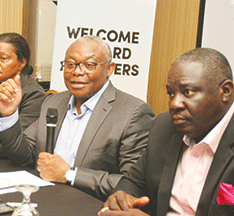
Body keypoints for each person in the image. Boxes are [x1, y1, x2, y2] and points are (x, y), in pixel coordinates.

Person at [0, 35, 155, 200]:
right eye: (70, 64)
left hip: (87, 204)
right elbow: (22, 157)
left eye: (89, 65)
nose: (77, 71)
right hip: (43, 198)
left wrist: (70, 175)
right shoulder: (53, 102)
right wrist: (9, 113)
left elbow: (132, 185)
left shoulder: (133, 113)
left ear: (110, 69)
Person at [99, 48, 234, 215]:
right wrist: (122, 199)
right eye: (171, 93)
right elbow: (134, 181)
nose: (174, 104)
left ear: (226, 91)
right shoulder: (165, 126)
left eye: (187, 92)